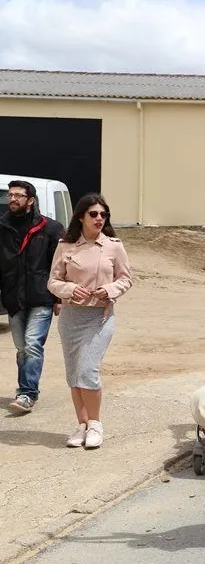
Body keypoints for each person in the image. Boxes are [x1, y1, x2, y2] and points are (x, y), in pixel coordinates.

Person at [47, 194, 132, 449]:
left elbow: (126, 279)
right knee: (74, 372)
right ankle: (82, 424)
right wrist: (70, 289)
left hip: (99, 317)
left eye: (103, 214)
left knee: (87, 369)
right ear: (81, 217)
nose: (99, 218)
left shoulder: (114, 246)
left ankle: (95, 423)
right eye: (93, 214)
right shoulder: (66, 246)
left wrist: (109, 290)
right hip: (71, 316)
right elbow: (53, 281)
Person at [0, 180, 64, 414]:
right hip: (13, 298)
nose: (12, 199)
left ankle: (27, 393)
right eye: (10, 195)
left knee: (32, 345)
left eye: (18, 195)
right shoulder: (2, 227)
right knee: (22, 349)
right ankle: (26, 390)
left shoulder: (51, 229)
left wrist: (58, 298)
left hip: (41, 297)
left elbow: (59, 266)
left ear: (31, 200)